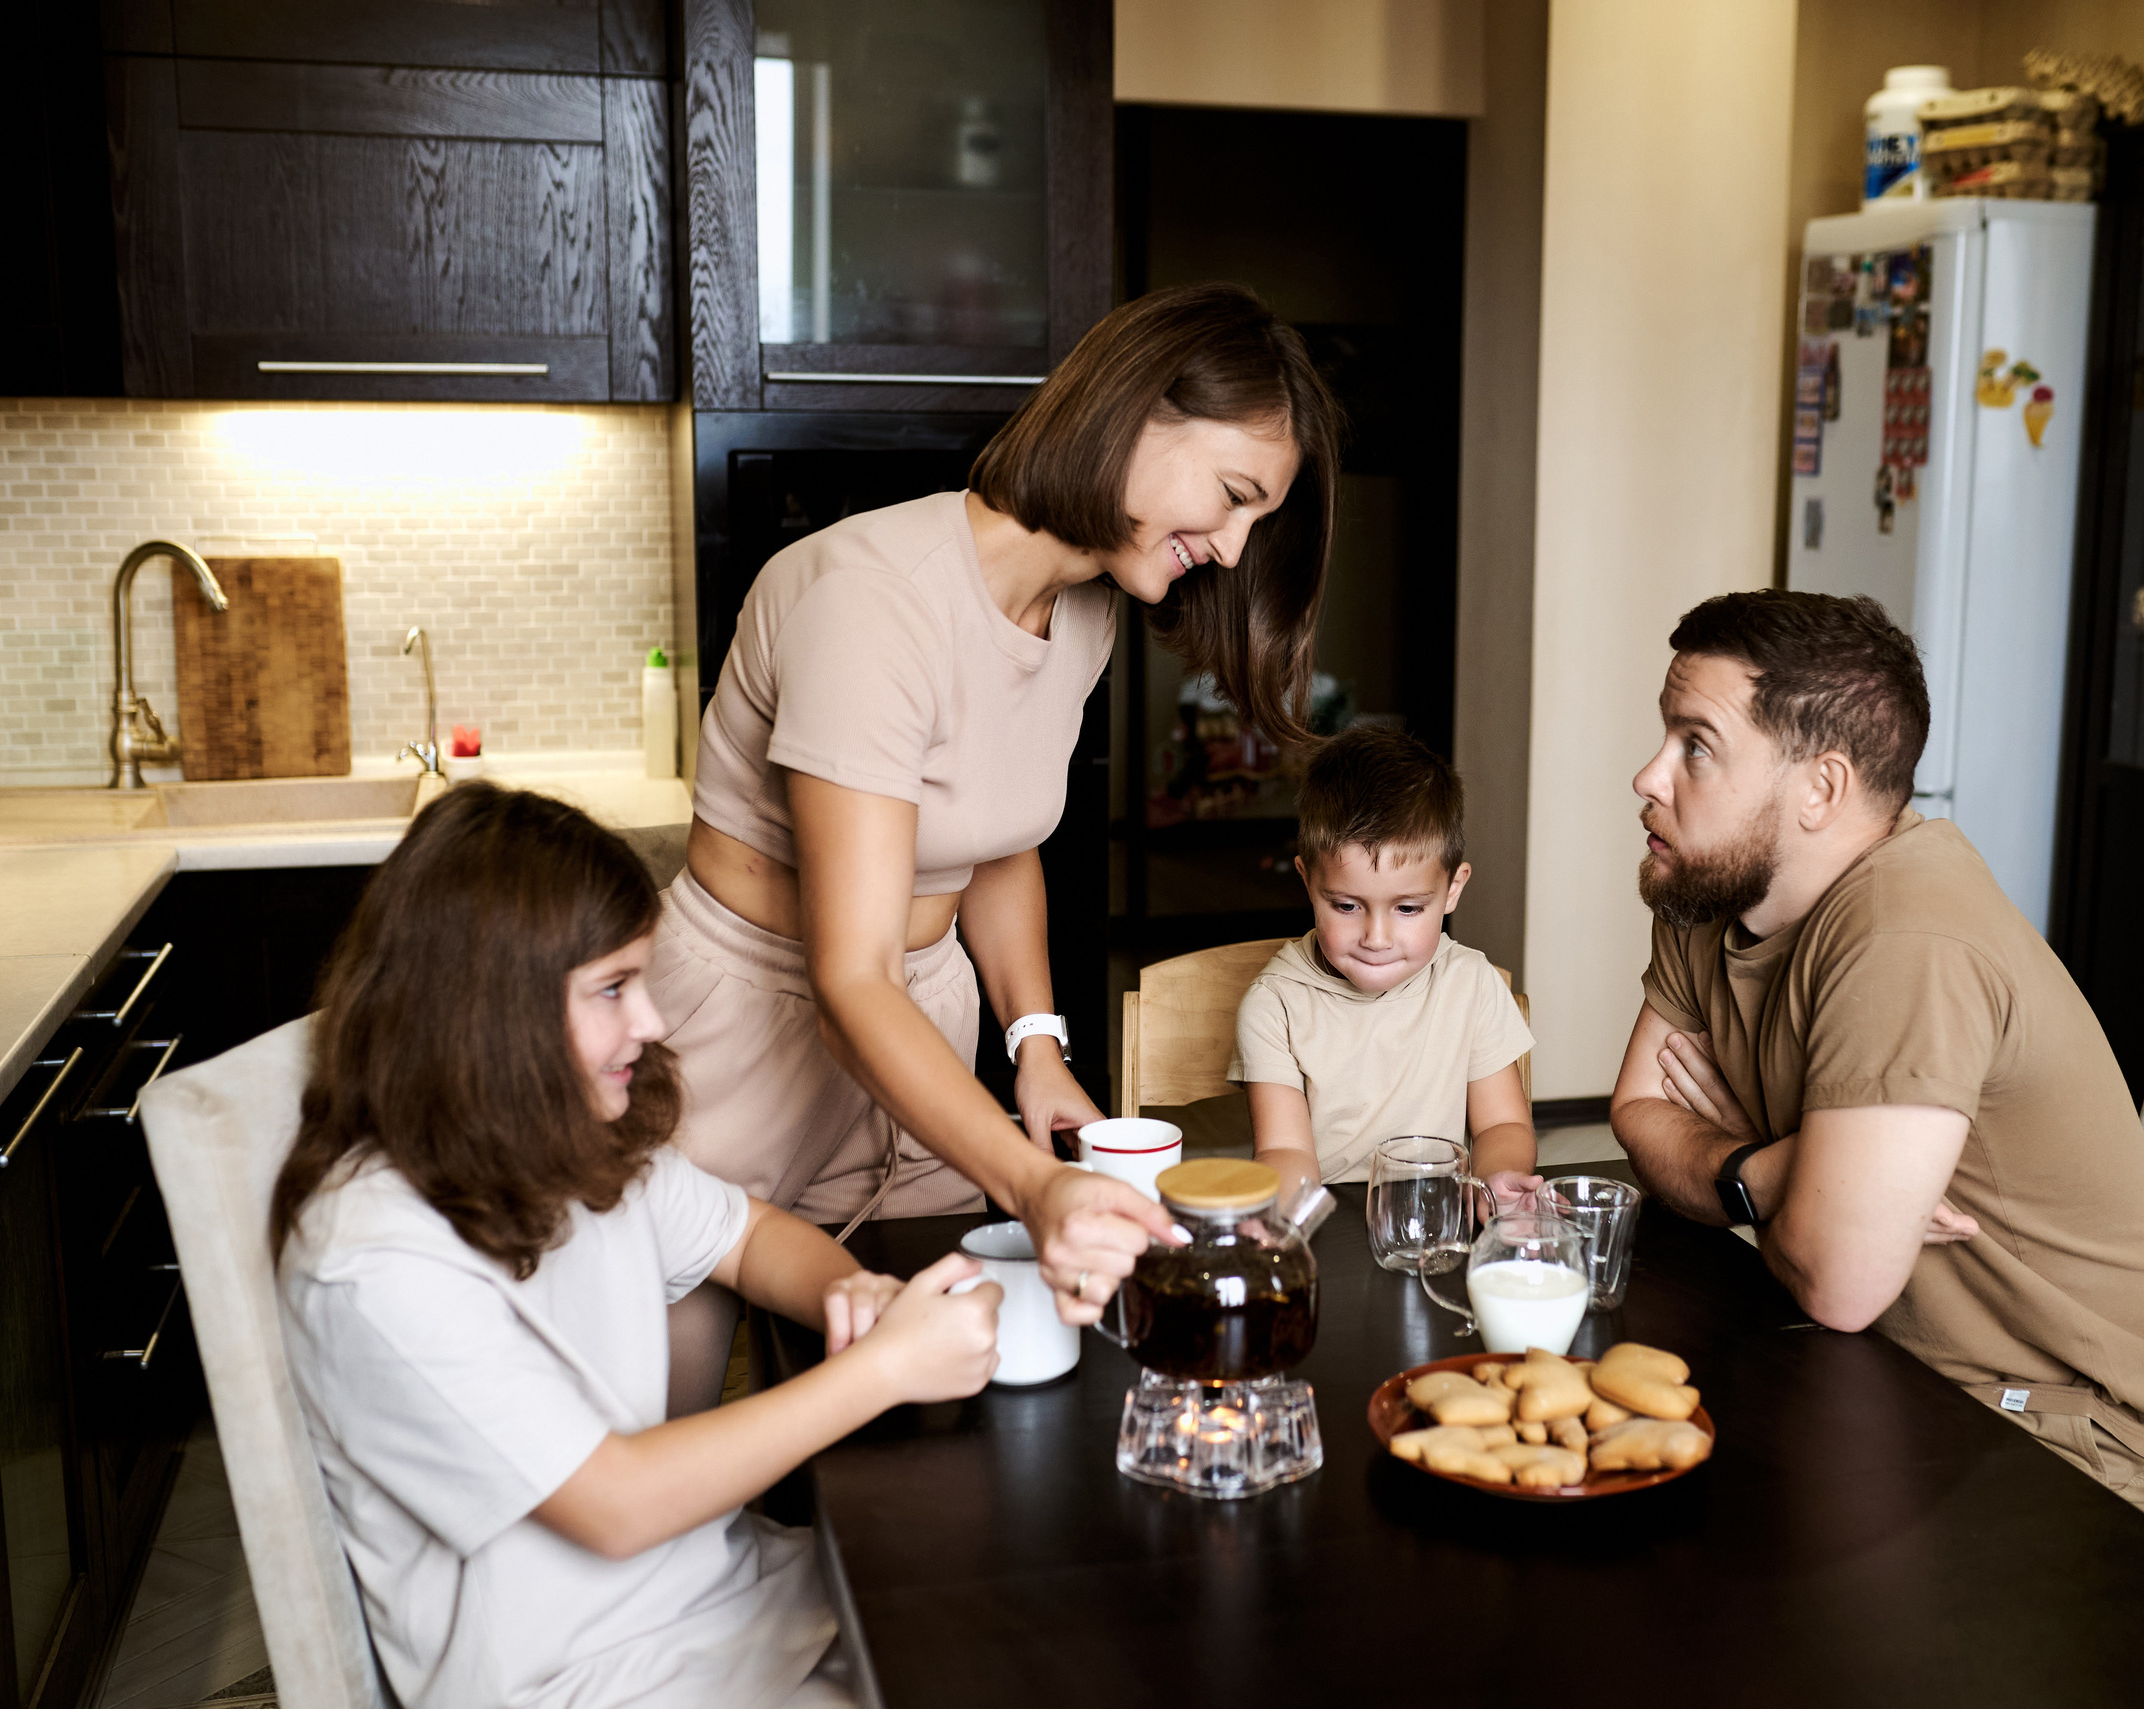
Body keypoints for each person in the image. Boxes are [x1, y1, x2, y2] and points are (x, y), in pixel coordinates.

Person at [658, 281, 1345, 1411]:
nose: (1230, 548)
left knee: (927, 1399)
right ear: (1132, 411)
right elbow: (847, 975)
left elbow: (998, 838)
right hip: (745, 1033)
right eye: (1232, 497)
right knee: (687, 1410)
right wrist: (1031, 1183)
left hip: (917, 1027)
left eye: (1254, 524)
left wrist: (1033, 1040)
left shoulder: (1082, 610)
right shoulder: (873, 600)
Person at [274, 785, 1002, 1708]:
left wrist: (857, 1292)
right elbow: (616, 1505)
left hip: (719, 1608)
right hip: (582, 1679)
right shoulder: (372, 1265)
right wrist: (884, 1370)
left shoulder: (566, 1137)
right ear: (491, 1012)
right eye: (612, 989)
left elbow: (749, 1235)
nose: (651, 1022)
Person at [1608, 590, 2144, 1570]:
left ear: (1819, 788)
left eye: (1694, 743)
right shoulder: (1708, 884)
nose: (1647, 774)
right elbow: (1636, 1109)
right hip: (1880, 1373)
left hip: (2068, 1436)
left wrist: (1745, 1179)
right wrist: (1775, 1171)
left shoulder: (1907, 934)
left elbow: (1836, 1278)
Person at [1231, 725, 1540, 1208]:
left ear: (1453, 890)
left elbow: (1503, 1124)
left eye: (1408, 908)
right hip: (1330, 1225)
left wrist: (1496, 1179)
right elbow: (1284, 1149)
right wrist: (1286, 1222)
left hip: (1434, 1224)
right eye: (1347, 906)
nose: (1376, 939)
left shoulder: (1471, 984)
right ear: (1308, 883)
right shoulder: (1276, 1003)